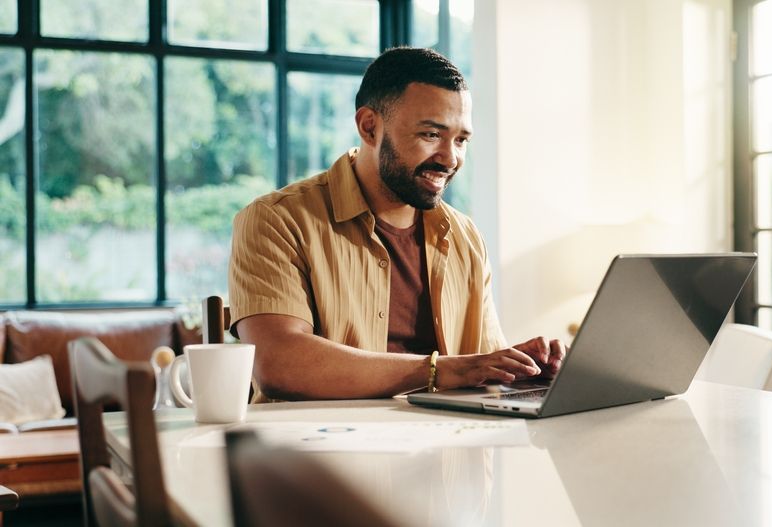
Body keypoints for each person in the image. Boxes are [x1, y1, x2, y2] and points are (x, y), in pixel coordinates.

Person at [229, 47, 566, 401]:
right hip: (318, 451)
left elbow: (478, 365)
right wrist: (443, 370)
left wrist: (521, 370)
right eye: (431, 135)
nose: (450, 159)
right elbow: (277, 363)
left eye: (461, 140)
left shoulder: (466, 238)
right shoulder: (277, 220)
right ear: (369, 126)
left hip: (446, 447)